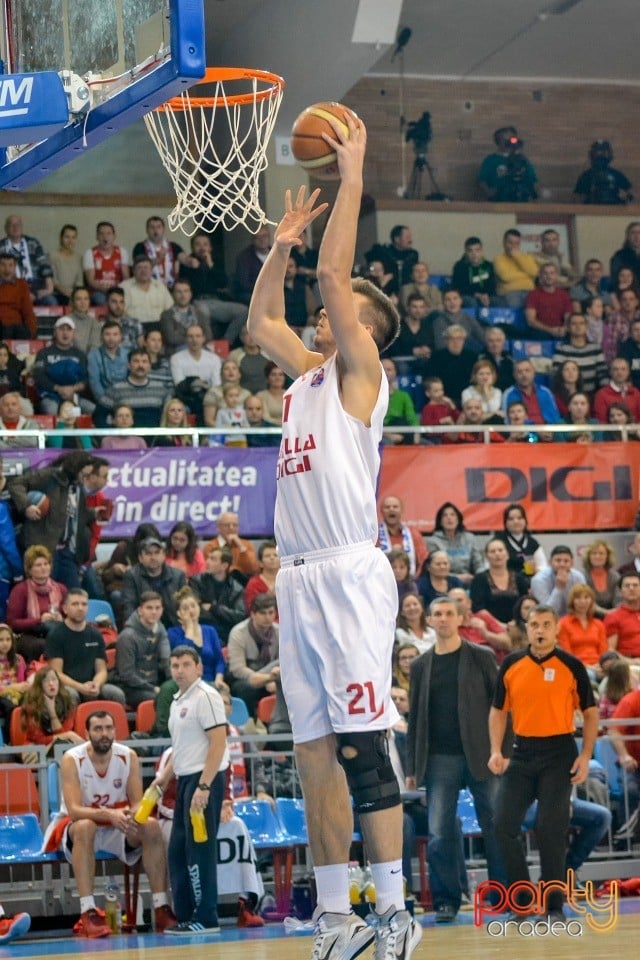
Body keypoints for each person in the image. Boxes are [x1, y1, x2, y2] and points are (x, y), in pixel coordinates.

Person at [247, 113, 421, 957]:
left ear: (364, 332)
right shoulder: (306, 376)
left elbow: (335, 274)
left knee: (361, 744)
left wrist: (352, 178)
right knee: (314, 752)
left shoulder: (360, 373)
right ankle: (334, 917)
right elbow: (257, 328)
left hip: (351, 575)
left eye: (344, 308)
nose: (329, 307)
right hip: (299, 577)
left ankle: (395, 911)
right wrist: (279, 247)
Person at [488, 603, 598, 920]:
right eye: (534, 624)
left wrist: (586, 755)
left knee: (550, 828)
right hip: (521, 752)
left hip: (559, 752)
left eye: (546, 624)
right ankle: (522, 901)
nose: (540, 630)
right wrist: (496, 750)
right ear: (527, 628)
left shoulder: (571, 665)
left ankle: (553, 906)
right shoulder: (511, 664)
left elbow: (591, 713)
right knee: (503, 825)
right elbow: (498, 710)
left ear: (555, 628)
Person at [406, 596, 506, 923]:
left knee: (496, 827)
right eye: (438, 614)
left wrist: (501, 751)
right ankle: (446, 900)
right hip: (439, 758)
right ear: (430, 620)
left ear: (460, 617)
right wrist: (412, 768)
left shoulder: (481, 656)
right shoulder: (421, 665)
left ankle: (503, 895)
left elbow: (501, 707)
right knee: (438, 831)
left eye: (450, 613)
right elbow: (416, 720)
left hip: (481, 754)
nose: (444, 619)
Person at [45, 709, 176, 937]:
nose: (104, 734)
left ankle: (161, 907)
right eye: (97, 729)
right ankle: (88, 912)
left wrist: (132, 814)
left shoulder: (128, 756)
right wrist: (110, 814)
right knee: (86, 825)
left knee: (152, 826)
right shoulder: (72, 759)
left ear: (115, 731)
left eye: (108, 728)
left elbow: (136, 803)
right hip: (78, 828)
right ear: (86, 733)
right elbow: (75, 810)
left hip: (117, 825)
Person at [150, 646, 228, 934]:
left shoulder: (206, 697)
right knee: (178, 850)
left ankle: (207, 916)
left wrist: (205, 786)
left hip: (203, 779)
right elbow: (181, 748)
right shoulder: (177, 700)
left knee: (200, 849)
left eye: (185, 664)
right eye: (174, 665)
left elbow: (218, 744)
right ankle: (186, 915)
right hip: (185, 779)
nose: (179, 670)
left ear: (198, 668)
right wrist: (164, 776)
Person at [8, 449, 100, 588]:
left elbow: (71, 513)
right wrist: (26, 506)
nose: (86, 478)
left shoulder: (79, 487)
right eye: (84, 474)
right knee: (43, 595)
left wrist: (93, 513)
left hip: (67, 551)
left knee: (73, 595)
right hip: (43, 549)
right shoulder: (49, 476)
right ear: (75, 468)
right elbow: (15, 484)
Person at [45, 588, 125, 705]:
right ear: (65, 609)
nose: (80, 608)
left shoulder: (95, 634)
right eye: (75, 604)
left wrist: (96, 684)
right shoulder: (56, 635)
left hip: (91, 684)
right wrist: (80, 687)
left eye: (84, 604)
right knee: (70, 695)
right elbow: (56, 673)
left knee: (115, 694)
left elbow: (101, 670)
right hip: (68, 686)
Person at [6, 545, 67, 661]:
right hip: (28, 635)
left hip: (56, 631)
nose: (43, 568)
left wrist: (61, 618)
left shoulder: (61, 588)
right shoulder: (20, 590)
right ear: (29, 569)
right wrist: (40, 620)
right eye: (38, 565)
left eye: (46, 564)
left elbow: (69, 616)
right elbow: (12, 623)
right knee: (44, 645)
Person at [112, 591, 171, 707]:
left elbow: (166, 660)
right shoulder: (127, 636)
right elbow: (126, 675)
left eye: (157, 608)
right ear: (140, 610)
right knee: (163, 699)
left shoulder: (160, 629)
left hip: (155, 684)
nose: (154, 612)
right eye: (149, 608)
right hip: (130, 688)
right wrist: (154, 688)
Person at [227, 592, 279, 715]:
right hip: (246, 678)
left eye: (271, 613)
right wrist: (262, 678)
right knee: (245, 689)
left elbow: (284, 661)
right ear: (253, 614)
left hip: (272, 676)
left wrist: (272, 679)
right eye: (263, 613)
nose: (267, 617)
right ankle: (249, 724)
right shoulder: (238, 633)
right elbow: (237, 668)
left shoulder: (279, 632)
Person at [95, 347, 171, 429]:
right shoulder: (115, 389)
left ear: (149, 366)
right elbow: (99, 416)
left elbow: (170, 417)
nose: (140, 365)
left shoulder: (161, 389)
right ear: (129, 365)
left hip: (155, 440)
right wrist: (110, 437)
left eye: (144, 362)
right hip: (124, 440)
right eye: (136, 361)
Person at [32, 316, 93, 416]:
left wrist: (73, 389)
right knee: (51, 409)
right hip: (51, 396)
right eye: (61, 329)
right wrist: (58, 388)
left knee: (93, 410)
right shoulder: (44, 353)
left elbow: (86, 378)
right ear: (55, 332)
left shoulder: (80, 354)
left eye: (69, 330)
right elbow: (39, 376)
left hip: (74, 395)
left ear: (74, 333)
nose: (65, 333)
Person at [122, 536, 187, 628]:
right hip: (145, 627)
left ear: (164, 555)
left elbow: (186, 605)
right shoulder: (132, 576)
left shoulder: (178, 575)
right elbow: (129, 607)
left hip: (174, 626)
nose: (153, 557)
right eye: (148, 553)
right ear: (140, 558)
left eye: (157, 553)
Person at [168, 586, 226, 689]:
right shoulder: (173, 633)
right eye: (185, 608)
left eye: (193, 606)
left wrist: (219, 679)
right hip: (187, 684)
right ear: (178, 613)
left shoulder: (210, 630)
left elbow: (219, 660)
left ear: (199, 607)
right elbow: (183, 656)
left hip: (212, 682)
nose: (191, 610)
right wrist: (189, 627)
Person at [190, 545, 247, 645]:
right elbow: (196, 611)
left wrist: (214, 608)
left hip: (228, 635)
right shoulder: (197, 581)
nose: (207, 561)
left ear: (224, 565)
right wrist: (224, 616)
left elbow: (240, 616)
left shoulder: (236, 588)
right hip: (203, 632)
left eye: (213, 559)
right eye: (208, 557)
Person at [20, 665, 83, 750]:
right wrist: (68, 735)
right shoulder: (31, 706)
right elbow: (40, 740)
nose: (51, 684)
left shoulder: (67, 703)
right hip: (35, 748)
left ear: (59, 682)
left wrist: (52, 712)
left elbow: (63, 739)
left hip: (60, 747)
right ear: (39, 686)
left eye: (54, 679)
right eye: (46, 681)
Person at [470, 538, 530, 626]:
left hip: (517, 626)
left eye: (500, 550)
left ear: (507, 554)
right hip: (488, 627)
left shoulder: (519, 578)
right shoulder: (479, 579)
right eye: (492, 551)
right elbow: (478, 609)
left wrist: (515, 623)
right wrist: (499, 625)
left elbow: (526, 603)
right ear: (486, 557)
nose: (497, 554)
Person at [427, 501, 485, 586]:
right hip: (445, 582)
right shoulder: (433, 542)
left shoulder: (469, 538)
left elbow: (479, 564)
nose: (449, 518)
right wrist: (457, 578)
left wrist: (479, 577)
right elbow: (435, 569)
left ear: (458, 519)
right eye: (445, 515)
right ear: (440, 521)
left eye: (452, 515)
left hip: (470, 581)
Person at [0, 214, 55, 304]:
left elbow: (45, 266)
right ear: (6, 228)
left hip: (36, 289)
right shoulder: (1, 246)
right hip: (10, 288)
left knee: (51, 301)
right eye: (11, 225)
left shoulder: (33, 243)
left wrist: (49, 288)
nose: (15, 227)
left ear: (22, 227)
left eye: (18, 224)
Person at [551, 313, 608, 398]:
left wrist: (604, 395)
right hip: (568, 397)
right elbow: (557, 375)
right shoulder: (562, 349)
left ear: (587, 327)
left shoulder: (595, 348)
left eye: (581, 323)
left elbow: (603, 373)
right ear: (568, 327)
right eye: (574, 324)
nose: (578, 326)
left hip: (592, 396)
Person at [448, 586, 511, 660]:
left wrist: (485, 633)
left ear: (469, 603)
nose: (456, 604)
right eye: (452, 601)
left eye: (459, 600)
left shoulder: (483, 617)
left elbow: (507, 644)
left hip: (495, 664)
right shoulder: (448, 626)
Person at [557, 584, 607, 675]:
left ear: (591, 601)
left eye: (586, 597)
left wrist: (600, 665)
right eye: (578, 598)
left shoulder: (599, 624)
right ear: (572, 601)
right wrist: (587, 666)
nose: (582, 602)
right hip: (577, 667)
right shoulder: (563, 624)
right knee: (588, 675)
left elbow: (603, 651)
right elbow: (567, 654)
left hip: (599, 666)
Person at [478, 126, 537, 203]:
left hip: (522, 200)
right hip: (500, 200)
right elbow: (482, 180)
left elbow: (533, 179)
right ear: (498, 142)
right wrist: (489, 192)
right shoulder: (491, 160)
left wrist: (535, 197)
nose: (510, 142)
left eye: (512, 138)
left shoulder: (522, 159)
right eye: (505, 139)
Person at [425, 325, 479, 406]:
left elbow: (476, 380)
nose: (456, 342)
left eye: (459, 339)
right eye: (452, 339)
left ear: (464, 340)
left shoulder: (472, 357)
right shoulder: (436, 357)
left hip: (468, 399)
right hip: (443, 399)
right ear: (446, 341)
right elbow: (431, 380)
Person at [377, 494, 428, 578]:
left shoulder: (413, 534)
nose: (391, 509)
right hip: (382, 581)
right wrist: (391, 554)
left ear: (402, 510)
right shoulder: (375, 536)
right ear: (381, 511)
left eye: (395, 507)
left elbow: (423, 561)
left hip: (411, 582)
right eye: (387, 507)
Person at [501, 358, 562, 427]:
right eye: (519, 372)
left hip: (549, 432)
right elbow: (507, 421)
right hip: (523, 433)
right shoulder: (509, 394)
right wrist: (536, 431)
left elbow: (555, 416)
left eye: (527, 371)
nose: (524, 375)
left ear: (534, 373)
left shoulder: (546, 392)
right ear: (514, 375)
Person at [203, 512, 259, 583]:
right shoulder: (210, 546)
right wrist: (236, 571)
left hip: (243, 583)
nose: (231, 528)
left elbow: (252, 569)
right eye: (227, 525)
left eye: (235, 525)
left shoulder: (246, 544)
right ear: (218, 528)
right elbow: (211, 569)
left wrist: (240, 546)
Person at [82, 221, 130, 305]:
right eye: (101, 234)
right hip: (98, 292)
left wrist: (116, 291)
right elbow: (91, 281)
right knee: (104, 302)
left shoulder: (122, 252)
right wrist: (109, 291)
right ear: (97, 236)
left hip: (118, 291)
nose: (105, 237)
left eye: (108, 233)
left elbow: (126, 278)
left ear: (114, 236)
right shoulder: (90, 253)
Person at [531, 545, 586, 617]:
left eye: (566, 561)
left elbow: (584, 606)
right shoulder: (539, 580)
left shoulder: (578, 577)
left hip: (573, 619)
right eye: (558, 560)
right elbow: (547, 612)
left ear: (572, 563)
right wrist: (559, 588)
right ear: (550, 562)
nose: (562, 564)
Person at [493, 504, 546, 578]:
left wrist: (536, 570)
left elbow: (543, 567)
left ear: (525, 520)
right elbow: (489, 567)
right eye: (511, 519)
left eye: (520, 518)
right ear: (505, 522)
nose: (516, 522)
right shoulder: (497, 542)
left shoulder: (532, 543)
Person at [133, 214, 186, 287]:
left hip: (172, 287)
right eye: (152, 227)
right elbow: (140, 267)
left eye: (158, 227)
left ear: (163, 229)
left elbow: (183, 258)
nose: (155, 230)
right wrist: (158, 258)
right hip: (149, 287)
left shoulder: (173, 246)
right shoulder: (140, 247)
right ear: (147, 230)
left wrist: (190, 260)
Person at [574, 140, 633, 205]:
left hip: (614, 211)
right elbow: (577, 198)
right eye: (597, 153)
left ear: (609, 155)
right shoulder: (586, 176)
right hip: (591, 211)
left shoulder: (617, 175)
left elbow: (631, 193)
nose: (600, 156)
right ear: (591, 155)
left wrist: (625, 198)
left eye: (604, 153)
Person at [121, 254, 173, 327]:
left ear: (151, 271)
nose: (143, 271)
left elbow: (170, 309)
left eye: (146, 267)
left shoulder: (160, 286)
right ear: (134, 271)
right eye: (139, 268)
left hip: (159, 327)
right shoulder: (124, 287)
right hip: (135, 327)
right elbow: (120, 311)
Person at [429, 288, 487, 352]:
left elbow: (483, 338)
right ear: (443, 303)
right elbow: (440, 347)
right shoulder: (438, 322)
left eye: (455, 298)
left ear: (460, 301)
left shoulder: (469, 318)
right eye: (448, 300)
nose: (452, 302)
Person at [524, 263, 572, 339]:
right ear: (540, 276)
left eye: (552, 273)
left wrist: (564, 328)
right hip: (541, 332)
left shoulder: (564, 295)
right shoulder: (533, 294)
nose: (549, 276)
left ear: (556, 276)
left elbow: (568, 317)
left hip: (560, 331)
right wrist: (550, 330)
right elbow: (531, 321)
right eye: (545, 273)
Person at [493, 229, 539, 308]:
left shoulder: (527, 257)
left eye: (516, 243)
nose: (513, 246)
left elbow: (534, 272)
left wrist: (518, 257)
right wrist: (527, 276)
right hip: (510, 292)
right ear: (504, 243)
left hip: (530, 291)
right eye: (510, 243)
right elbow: (505, 277)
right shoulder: (498, 259)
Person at [87, 320, 129, 406]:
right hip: (103, 401)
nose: (111, 338)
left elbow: (130, 379)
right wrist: (107, 403)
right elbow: (95, 383)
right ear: (101, 337)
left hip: (126, 400)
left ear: (121, 337)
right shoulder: (93, 355)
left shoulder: (128, 354)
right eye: (107, 334)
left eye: (115, 334)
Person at [364, 224, 419, 289]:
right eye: (407, 237)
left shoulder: (413, 255)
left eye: (410, 237)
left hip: (406, 289)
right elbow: (370, 262)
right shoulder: (383, 252)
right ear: (397, 239)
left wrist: (393, 275)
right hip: (386, 289)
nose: (410, 240)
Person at [381, 357, 419, 444]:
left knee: (427, 446)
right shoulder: (369, 396)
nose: (386, 373)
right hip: (381, 435)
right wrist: (389, 435)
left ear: (395, 372)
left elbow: (412, 419)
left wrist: (417, 436)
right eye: (382, 369)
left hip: (402, 432)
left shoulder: (403, 396)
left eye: (389, 369)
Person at [450, 237, 497, 308]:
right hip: (467, 296)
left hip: (486, 296)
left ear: (482, 251)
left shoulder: (488, 266)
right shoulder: (459, 266)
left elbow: (492, 285)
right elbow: (460, 287)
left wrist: (486, 295)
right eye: (470, 251)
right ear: (466, 252)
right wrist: (477, 295)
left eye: (477, 250)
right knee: (471, 302)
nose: (474, 254)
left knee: (498, 302)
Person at [603, 572, 640, 661]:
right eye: (627, 586)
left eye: (635, 585)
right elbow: (610, 651)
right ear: (620, 591)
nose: (631, 588)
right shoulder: (613, 617)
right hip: (629, 664)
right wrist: (632, 662)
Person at [0, 250, 37, 337]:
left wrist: (31, 332)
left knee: (20, 331)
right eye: (3, 265)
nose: (7, 269)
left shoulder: (22, 284)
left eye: (10, 265)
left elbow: (28, 311)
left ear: (15, 267)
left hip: (15, 328)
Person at [233, 225, 272, 305]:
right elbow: (243, 283)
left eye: (264, 236)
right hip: (253, 294)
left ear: (269, 237)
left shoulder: (277, 253)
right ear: (252, 240)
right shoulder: (243, 258)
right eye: (258, 237)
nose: (262, 240)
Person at [594, 356, 640, 423]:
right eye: (616, 369)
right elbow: (601, 422)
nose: (619, 372)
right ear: (610, 372)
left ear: (628, 372)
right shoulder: (601, 395)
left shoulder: (636, 393)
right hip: (611, 432)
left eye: (623, 369)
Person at [582, 540, 620, 617]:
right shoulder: (582, 576)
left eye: (601, 553)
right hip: (589, 616)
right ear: (589, 557)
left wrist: (614, 612)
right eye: (594, 553)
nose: (597, 556)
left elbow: (619, 600)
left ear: (607, 557)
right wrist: (606, 612)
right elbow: (584, 601)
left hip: (614, 616)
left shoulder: (615, 576)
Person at [50, 224, 84, 305]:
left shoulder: (78, 257)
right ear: (61, 238)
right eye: (67, 237)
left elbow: (79, 282)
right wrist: (66, 292)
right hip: (57, 293)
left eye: (73, 237)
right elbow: (53, 280)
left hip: (73, 294)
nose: (70, 240)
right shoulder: (52, 255)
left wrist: (75, 293)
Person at [244, 540, 280, 613]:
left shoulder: (287, 580)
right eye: (267, 556)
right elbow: (251, 609)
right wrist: (268, 597)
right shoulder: (253, 584)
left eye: (275, 555)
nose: (272, 558)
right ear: (260, 563)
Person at [478, 326, 515, 392]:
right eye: (491, 341)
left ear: (503, 342)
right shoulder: (480, 359)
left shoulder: (509, 358)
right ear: (486, 342)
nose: (495, 344)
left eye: (498, 340)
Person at [255, 361, 287, 425]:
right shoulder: (261, 396)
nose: (277, 378)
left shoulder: (291, 395)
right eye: (273, 375)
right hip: (269, 432)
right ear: (267, 378)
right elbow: (266, 418)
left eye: (280, 374)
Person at [611, 221, 640, 288]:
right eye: (633, 233)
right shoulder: (619, 255)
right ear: (628, 236)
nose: (637, 236)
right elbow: (616, 278)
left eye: (639, 233)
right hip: (628, 293)